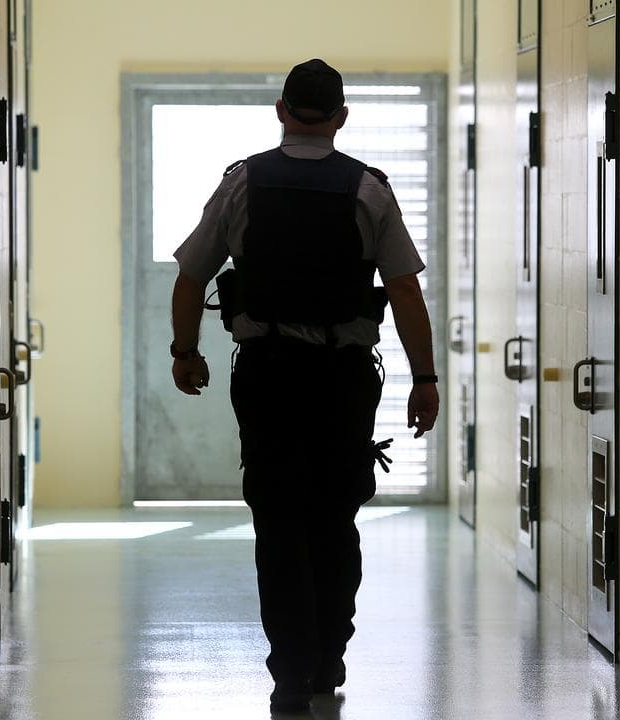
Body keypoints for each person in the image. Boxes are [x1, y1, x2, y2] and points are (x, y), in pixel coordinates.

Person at [168, 58, 439, 713]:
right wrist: (425, 379)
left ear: (281, 111)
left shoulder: (242, 183)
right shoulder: (369, 189)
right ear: (341, 116)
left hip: (268, 376)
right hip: (343, 382)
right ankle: (327, 660)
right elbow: (404, 290)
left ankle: (291, 671)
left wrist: (186, 352)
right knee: (334, 518)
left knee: (278, 521)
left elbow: (191, 274)